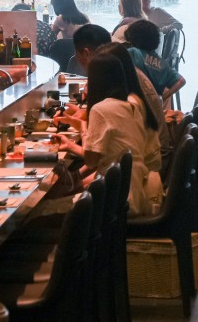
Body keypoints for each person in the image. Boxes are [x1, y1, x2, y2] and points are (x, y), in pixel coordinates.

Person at [54, 52, 162, 216]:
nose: (86, 84)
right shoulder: (131, 106)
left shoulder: (101, 109)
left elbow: (91, 161)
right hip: (133, 195)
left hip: (112, 204)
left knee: (34, 213)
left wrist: (79, 133)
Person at [126, 19, 187, 110]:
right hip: (153, 110)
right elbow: (181, 81)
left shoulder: (132, 53)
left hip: (135, 106)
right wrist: (161, 98)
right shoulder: (162, 63)